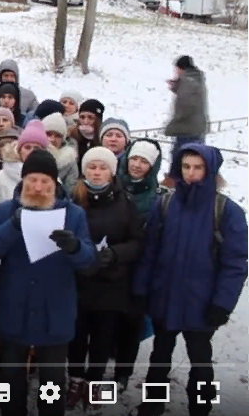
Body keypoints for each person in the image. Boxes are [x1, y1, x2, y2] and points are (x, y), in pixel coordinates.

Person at [132, 144, 248, 416]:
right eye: (186, 167)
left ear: (210, 171)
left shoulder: (227, 211)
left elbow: (235, 264)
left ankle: (201, 406)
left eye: (198, 167)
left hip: (202, 303)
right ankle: (152, 404)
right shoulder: (166, 204)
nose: (191, 173)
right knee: (158, 356)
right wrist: (141, 288)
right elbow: (150, 251)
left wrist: (222, 304)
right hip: (165, 296)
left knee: (201, 360)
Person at [0, 149, 96, 416]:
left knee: (52, 385)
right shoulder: (6, 210)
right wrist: (13, 225)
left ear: (55, 184)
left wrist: (75, 247)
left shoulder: (74, 215)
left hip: (55, 312)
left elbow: (90, 261)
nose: (37, 187)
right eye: (32, 180)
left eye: (45, 182)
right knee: (11, 384)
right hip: (14, 309)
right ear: (22, 181)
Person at [64, 146, 144, 409]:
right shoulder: (73, 200)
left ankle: (96, 383)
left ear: (112, 172)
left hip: (111, 282)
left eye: (102, 168)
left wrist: (114, 254)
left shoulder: (125, 203)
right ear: (84, 170)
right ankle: (75, 379)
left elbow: (137, 242)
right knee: (77, 335)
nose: (97, 173)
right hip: (79, 280)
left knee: (102, 337)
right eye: (92, 167)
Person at [114, 139, 162, 392]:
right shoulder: (112, 186)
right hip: (112, 265)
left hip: (139, 269)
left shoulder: (158, 198)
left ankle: (123, 372)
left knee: (132, 323)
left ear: (152, 167)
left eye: (144, 161)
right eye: (134, 158)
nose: (137, 165)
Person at [0, 120, 49, 223]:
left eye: (37, 148)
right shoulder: (1, 177)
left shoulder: (52, 178)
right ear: (19, 150)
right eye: (27, 147)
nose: (31, 151)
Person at [165, 55, 209, 159]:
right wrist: (177, 86)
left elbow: (185, 106)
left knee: (180, 162)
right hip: (197, 129)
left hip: (186, 131)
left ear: (180, 68)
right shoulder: (196, 79)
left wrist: (171, 127)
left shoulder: (188, 81)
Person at [42, 113, 79, 194]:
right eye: (48, 134)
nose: (52, 139)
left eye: (58, 136)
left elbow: (70, 190)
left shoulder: (69, 161)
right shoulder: (29, 153)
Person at [68, 99, 104, 168]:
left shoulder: (103, 139)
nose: (85, 121)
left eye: (90, 117)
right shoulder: (71, 137)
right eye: (82, 117)